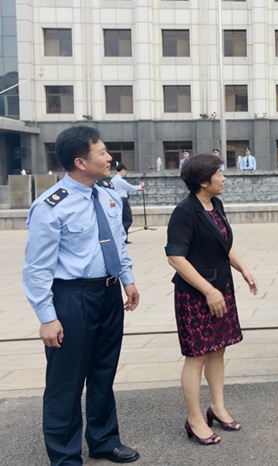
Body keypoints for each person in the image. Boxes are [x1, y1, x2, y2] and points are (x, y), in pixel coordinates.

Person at [23, 125, 140, 465]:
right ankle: (64, 455)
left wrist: (127, 278)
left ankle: (104, 440)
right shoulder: (51, 206)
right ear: (80, 161)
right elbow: (36, 269)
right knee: (66, 380)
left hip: (107, 295)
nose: (109, 158)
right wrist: (47, 317)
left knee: (104, 372)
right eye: (102, 153)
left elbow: (116, 241)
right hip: (71, 298)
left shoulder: (107, 193)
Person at [165, 154, 258, 445]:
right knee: (197, 357)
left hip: (221, 288)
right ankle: (194, 419)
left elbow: (224, 245)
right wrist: (208, 290)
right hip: (196, 295)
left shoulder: (215, 205)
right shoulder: (184, 212)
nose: (224, 178)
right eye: (219, 174)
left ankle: (217, 406)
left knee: (218, 349)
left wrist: (243, 269)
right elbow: (175, 258)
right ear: (203, 181)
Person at [111, 163, 144, 244]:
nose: (125, 173)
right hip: (122, 200)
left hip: (116, 200)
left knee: (122, 219)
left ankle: (124, 238)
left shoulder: (113, 180)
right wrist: (140, 186)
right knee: (128, 219)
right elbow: (130, 187)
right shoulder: (120, 180)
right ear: (122, 170)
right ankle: (120, 234)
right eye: (125, 171)